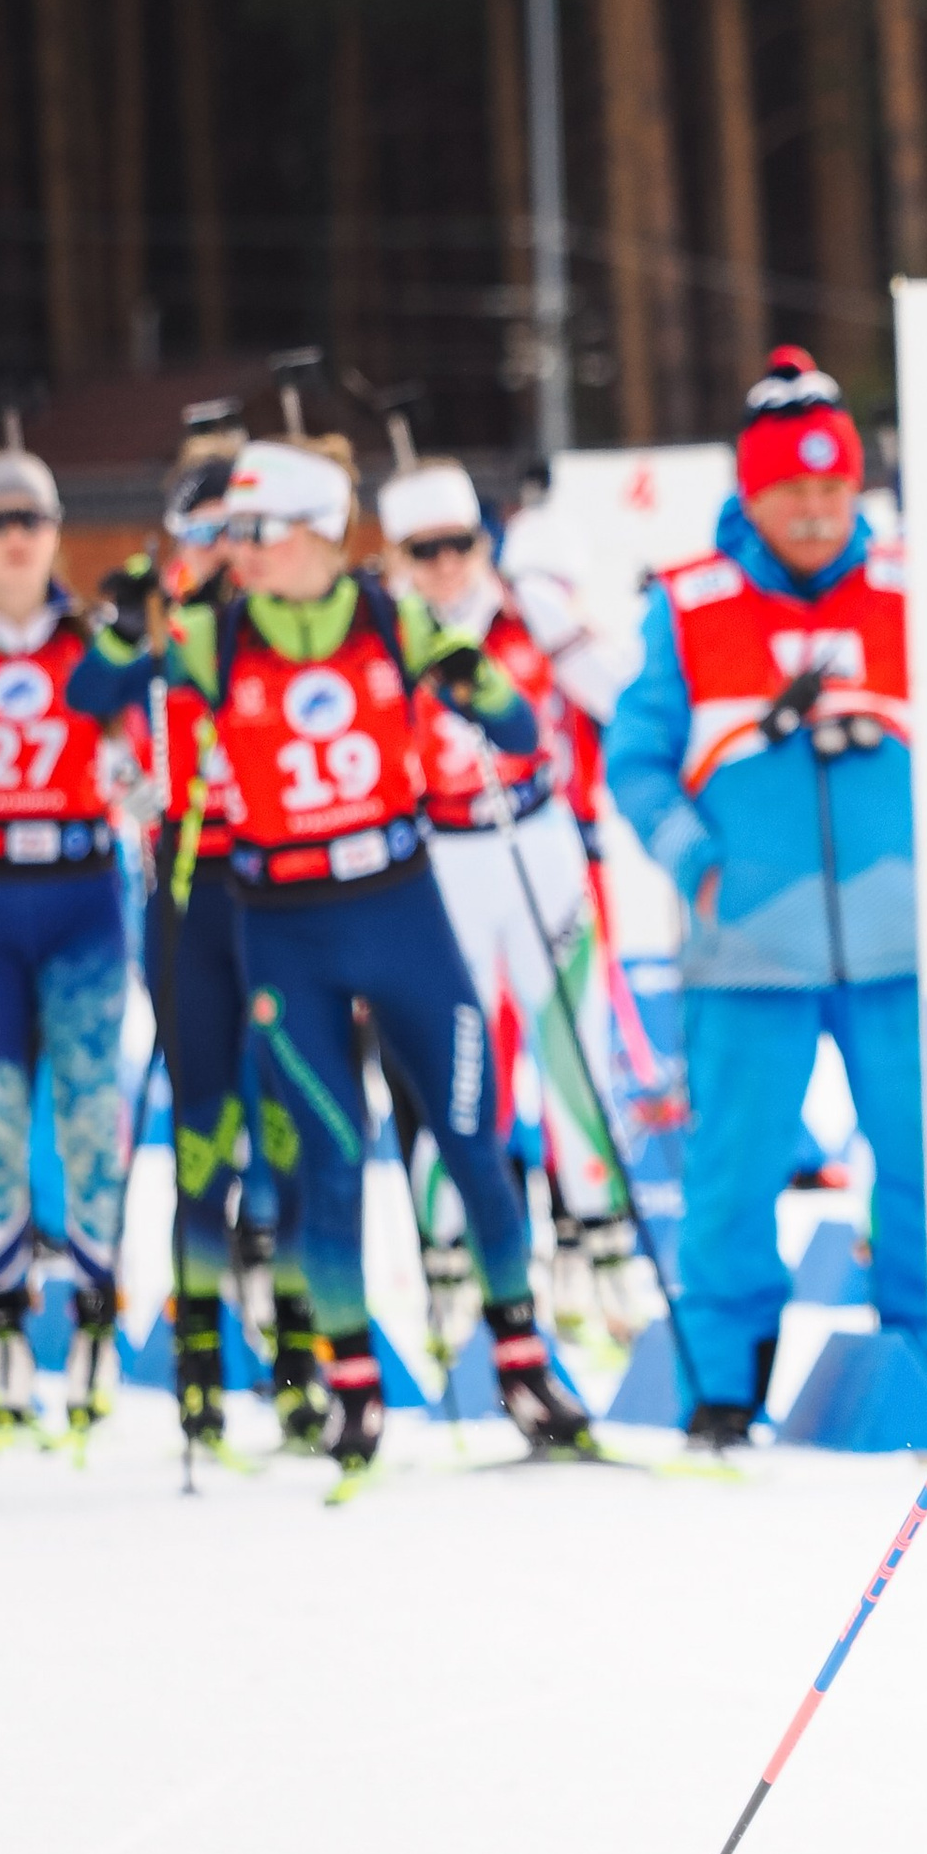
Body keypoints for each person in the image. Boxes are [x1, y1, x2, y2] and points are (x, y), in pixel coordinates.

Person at [141, 434, 596, 1479]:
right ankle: (351, 1387)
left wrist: (479, 687)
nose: (240, 549)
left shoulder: (391, 617)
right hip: (282, 925)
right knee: (330, 1158)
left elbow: (520, 728)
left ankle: (524, 1363)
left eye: (259, 531)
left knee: (472, 1137)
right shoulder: (212, 635)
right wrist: (157, 657)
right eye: (234, 532)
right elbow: (146, 725)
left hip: (399, 909)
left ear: (315, 534)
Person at [606, 347, 923, 1453]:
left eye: (834, 490)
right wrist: (697, 856)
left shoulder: (908, 588)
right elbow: (634, 759)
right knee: (733, 1175)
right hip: (745, 946)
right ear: (750, 489)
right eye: (793, 490)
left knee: (924, 1154)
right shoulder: (689, 603)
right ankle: (722, 1390)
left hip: (897, 944)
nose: (816, 511)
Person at [72, 437, 322, 1455]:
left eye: (236, 531)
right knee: (202, 1133)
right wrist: (134, 628)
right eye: (204, 532)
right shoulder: (163, 610)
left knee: (296, 1125)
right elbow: (89, 699)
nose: (224, 550)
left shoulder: (275, 615)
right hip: (184, 890)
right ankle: (201, 1366)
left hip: (281, 892)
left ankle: (304, 1356)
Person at [377, 456, 644, 1352]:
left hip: (539, 842)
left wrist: (565, 631)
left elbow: (621, 696)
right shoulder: (387, 630)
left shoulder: (526, 609)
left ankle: (601, 1257)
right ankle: (450, 1271)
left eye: (460, 545)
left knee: (575, 1055)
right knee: (458, 1062)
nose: (448, 564)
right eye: (426, 550)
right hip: (444, 860)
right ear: (401, 555)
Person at [0, 446, 139, 1439]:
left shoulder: (94, 640)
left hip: (78, 896)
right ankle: (4, 1324)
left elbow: (143, 757)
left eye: (32, 520)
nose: (16, 540)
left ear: (57, 531)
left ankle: (100, 1314)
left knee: (89, 1106)